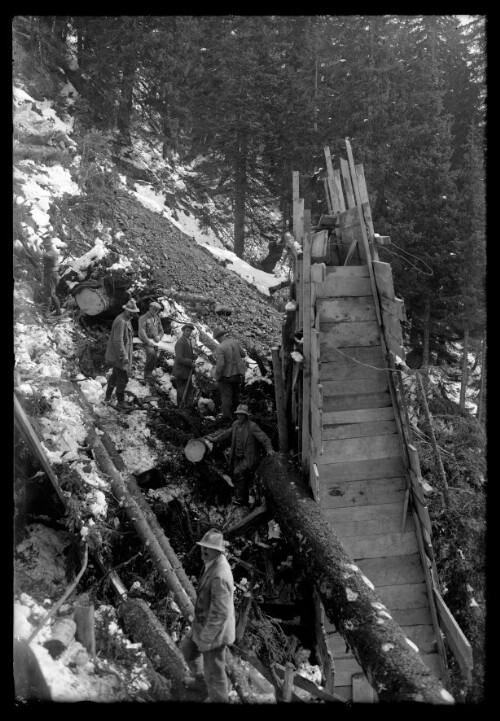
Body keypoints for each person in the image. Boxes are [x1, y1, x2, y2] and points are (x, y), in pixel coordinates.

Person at [181, 529, 235, 703]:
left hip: (216, 631)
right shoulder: (212, 563)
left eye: (208, 548)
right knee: (188, 648)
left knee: (215, 672)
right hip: (202, 624)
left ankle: (219, 699)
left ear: (218, 551)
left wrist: (207, 638)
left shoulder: (220, 575)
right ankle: (202, 683)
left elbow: (221, 612)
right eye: (202, 547)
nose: (203, 551)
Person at [206, 404, 274, 505]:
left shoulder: (252, 426)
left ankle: (240, 500)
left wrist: (270, 450)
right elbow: (226, 434)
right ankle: (245, 501)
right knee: (242, 477)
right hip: (237, 457)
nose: (240, 417)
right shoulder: (235, 424)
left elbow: (264, 438)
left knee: (238, 472)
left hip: (249, 457)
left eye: (242, 415)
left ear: (246, 415)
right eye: (238, 415)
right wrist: (214, 439)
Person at [104, 298, 140, 411]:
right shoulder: (121, 321)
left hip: (120, 354)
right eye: (131, 312)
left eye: (134, 313)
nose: (132, 315)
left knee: (115, 376)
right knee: (123, 378)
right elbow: (118, 341)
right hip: (117, 355)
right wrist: (123, 356)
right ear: (125, 310)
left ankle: (107, 398)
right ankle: (120, 403)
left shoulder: (127, 319)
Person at [212, 327, 246, 424]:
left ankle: (227, 419)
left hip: (227, 376)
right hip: (238, 374)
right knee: (236, 396)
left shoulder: (220, 347)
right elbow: (243, 354)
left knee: (226, 398)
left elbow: (221, 365)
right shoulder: (234, 341)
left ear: (218, 338)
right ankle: (238, 417)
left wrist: (217, 376)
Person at [138, 301, 163, 381]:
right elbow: (142, 332)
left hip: (154, 341)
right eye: (154, 309)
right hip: (145, 340)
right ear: (149, 308)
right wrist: (148, 342)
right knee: (151, 353)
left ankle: (151, 370)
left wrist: (159, 336)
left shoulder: (157, 319)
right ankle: (147, 374)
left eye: (157, 310)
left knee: (155, 354)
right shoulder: (143, 318)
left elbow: (161, 330)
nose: (155, 311)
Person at [172, 323, 196, 408]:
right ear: (183, 331)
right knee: (181, 391)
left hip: (186, 372)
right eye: (187, 331)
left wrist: (193, 356)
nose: (189, 333)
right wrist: (190, 362)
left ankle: (186, 408)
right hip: (181, 371)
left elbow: (186, 354)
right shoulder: (180, 342)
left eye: (190, 331)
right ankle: (180, 408)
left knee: (189, 390)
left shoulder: (188, 341)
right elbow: (179, 358)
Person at [41, 235, 62, 315]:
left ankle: (45, 313)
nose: (44, 247)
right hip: (52, 275)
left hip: (51, 275)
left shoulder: (52, 252)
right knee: (52, 294)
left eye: (45, 245)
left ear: (48, 245)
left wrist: (42, 252)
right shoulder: (50, 251)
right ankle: (59, 311)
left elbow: (47, 256)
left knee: (48, 295)